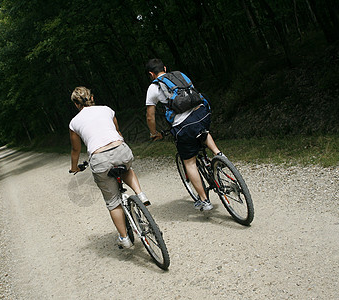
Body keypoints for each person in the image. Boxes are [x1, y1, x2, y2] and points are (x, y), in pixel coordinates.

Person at [69, 86, 149, 249]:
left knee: (113, 202)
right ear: (92, 97)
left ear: (76, 104)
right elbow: (117, 131)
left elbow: (76, 149)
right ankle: (140, 194)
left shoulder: (74, 122)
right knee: (127, 169)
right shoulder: (106, 109)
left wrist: (74, 167)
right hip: (120, 149)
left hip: (100, 159)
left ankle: (124, 238)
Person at [145, 58, 224, 211]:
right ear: (165, 68)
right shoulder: (180, 75)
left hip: (184, 125)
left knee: (189, 162)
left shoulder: (154, 88)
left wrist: (154, 133)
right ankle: (219, 154)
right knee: (202, 130)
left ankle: (204, 200)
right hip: (203, 113)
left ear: (151, 74)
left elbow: (150, 116)